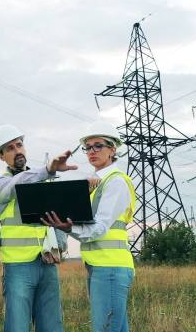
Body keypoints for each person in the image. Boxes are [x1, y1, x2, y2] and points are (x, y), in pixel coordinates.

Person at [42, 122, 136, 332]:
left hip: (110, 267)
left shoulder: (116, 182)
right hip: (100, 266)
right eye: (88, 147)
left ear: (113, 150)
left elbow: (100, 227)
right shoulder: (98, 184)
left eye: (98, 146)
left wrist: (68, 229)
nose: (92, 151)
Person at [0, 124, 79, 332]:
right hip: (18, 267)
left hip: (47, 264)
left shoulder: (42, 179)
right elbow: (18, 184)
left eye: (19, 145)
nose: (17, 150)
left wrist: (60, 244)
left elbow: (54, 217)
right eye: (10, 148)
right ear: (1, 156)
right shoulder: (0, 184)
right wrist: (48, 170)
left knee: (52, 326)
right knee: (17, 327)